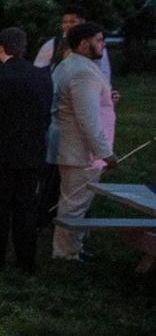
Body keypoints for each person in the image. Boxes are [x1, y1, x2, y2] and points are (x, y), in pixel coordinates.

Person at [0, 28, 53, 274]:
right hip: (31, 151)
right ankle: (26, 261)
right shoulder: (42, 76)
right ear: (23, 48)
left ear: (0, 49)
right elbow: (46, 114)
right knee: (26, 207)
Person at [47, 22, 118, 261]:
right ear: (83, 43)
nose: (103, 44)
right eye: (98, 40)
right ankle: (67, 252)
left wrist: (107, 99)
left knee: (73, 199)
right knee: (76, 202)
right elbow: (88, 118)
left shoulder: (70, 65)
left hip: (71, 145)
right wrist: (105, 152)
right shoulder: (82, 72)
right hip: (80, 149)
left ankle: (71, 247)